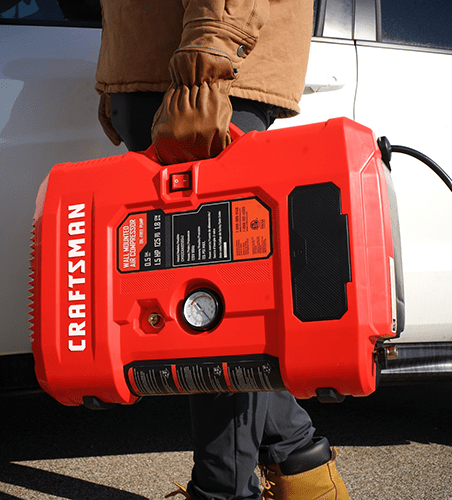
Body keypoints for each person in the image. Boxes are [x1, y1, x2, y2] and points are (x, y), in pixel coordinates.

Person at [94, 1, 350, 498]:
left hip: (202, 79)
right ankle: (305, 472)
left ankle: (222, 490)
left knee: (211, 313)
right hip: (170, 76)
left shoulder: (202, 72)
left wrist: (205, 62)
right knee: (203, 303)